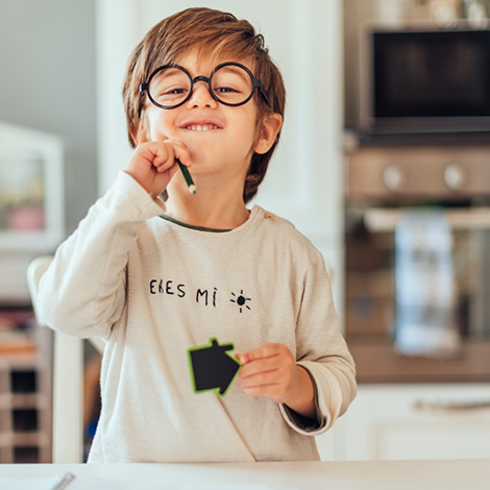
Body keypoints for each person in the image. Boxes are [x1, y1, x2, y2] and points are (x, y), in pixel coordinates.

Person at [38, 7, 356, 463]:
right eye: (174, 88)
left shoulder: (294, 256)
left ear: (265, 131)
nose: (200, 98)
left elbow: (337, 372)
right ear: (140, 129)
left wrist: (299, 384)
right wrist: (128, 195)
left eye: (226, 88)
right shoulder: (125, 240)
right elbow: (61, 309)